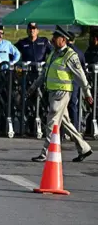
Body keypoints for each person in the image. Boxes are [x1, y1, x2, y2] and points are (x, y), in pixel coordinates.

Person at [28, 26, 93, 163]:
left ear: (63, 40)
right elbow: (44, 73)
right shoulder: (53, 54)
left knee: (51, 122)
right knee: (66, 123)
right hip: (52, 92)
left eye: (55, 38)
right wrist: (33, 87)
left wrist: (87, 92)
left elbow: (81, 76)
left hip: (62, 93)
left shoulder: (70, 55)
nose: (52, 40)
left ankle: (45, 153)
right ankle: (84, 148)